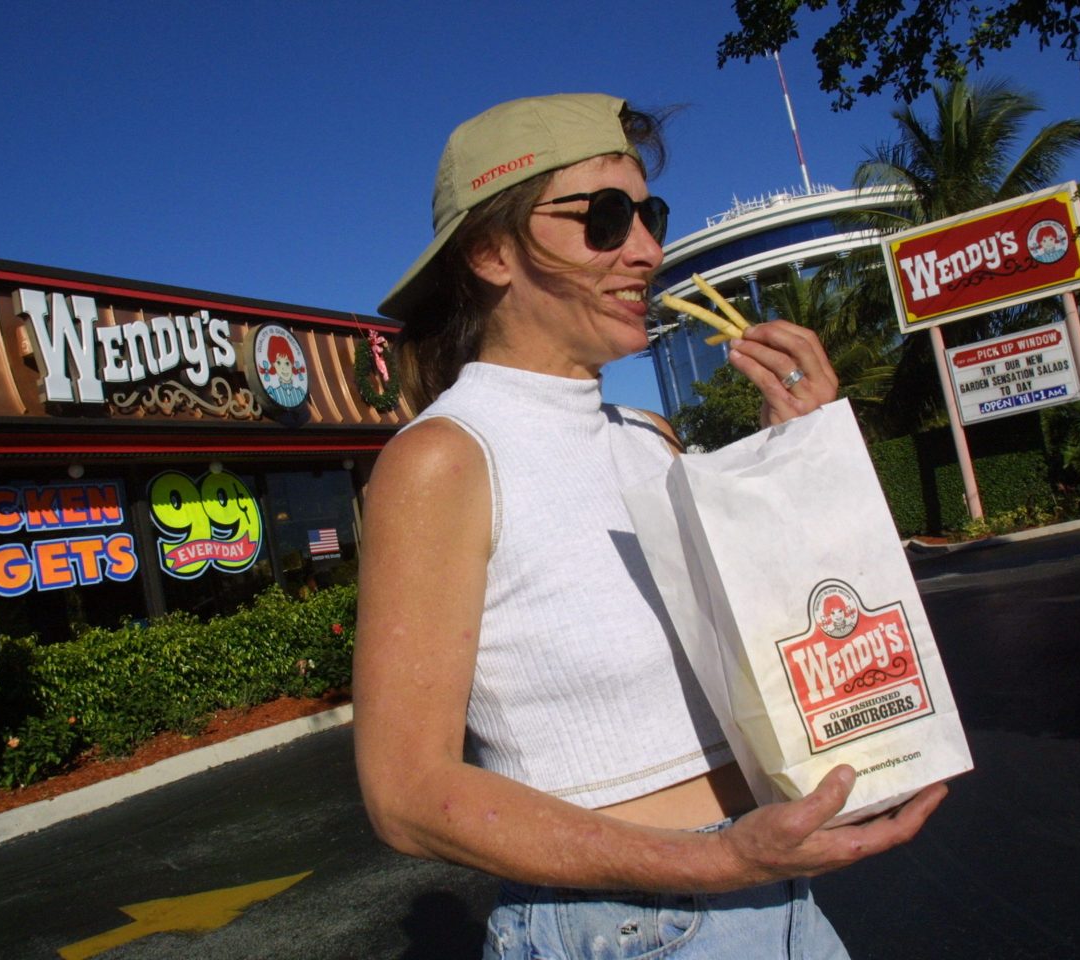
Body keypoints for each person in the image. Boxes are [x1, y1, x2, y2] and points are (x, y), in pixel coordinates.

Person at [354, 93, 946, 959]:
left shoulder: (651, 437)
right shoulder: (445, 457)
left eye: (649, 215)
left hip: (775, 894)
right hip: (628, 925)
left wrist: (803, 458)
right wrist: (712, 864)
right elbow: (406, 793)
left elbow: (779, 641)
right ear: (490, 251)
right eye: (604, 217)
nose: (648, 250)